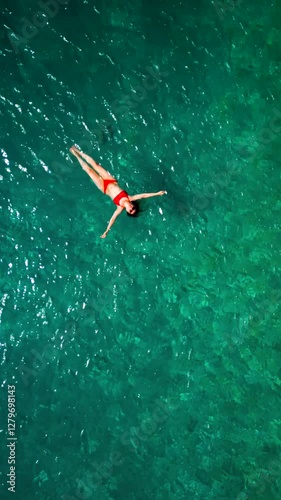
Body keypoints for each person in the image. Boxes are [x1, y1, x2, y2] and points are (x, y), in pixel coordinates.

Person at [69, 146, 167, 238]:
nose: (131, 209)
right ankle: (79, 152)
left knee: (88, 170)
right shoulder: (130, 198)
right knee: (96, 165)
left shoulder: (119, 208)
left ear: (127, 211)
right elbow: (144, 195)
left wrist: (106, 231)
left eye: (130, 211)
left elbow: (112, 219)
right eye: (133, 208)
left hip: (103, 187)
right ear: (133, 205)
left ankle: (76, 156)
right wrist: (157, 193)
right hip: (111, 180)